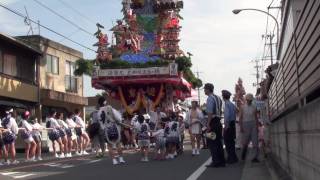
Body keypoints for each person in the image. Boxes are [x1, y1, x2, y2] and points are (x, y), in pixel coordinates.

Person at [204, 83, 225, 168]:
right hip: (218, 122)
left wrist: (208, 124)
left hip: (212, 122)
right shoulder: (218, 98)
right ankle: (221, 161)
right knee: (219, 142)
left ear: (208, 89)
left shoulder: (210, 98)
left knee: (212, 142)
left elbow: (210, 112)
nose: (204, 90)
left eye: (205, 89)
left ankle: (215, 161)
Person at [98, 99, 125, 165]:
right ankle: (121, 159)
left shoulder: (99, 112)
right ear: (105, 102)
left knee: (109, 145)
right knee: (118, 143)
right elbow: (118, 117)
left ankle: (114, 160)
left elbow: (101, 123)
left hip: (106, 129)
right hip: (114, 127)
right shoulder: (110, 108)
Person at [239, 93, 260, 163]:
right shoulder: (242, 107)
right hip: (245, 124)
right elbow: (240, 118)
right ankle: (243, 156)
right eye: (248, 100)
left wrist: (257, 126)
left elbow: (256, 117)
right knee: (245, 142)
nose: (249, 101)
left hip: (253, 123)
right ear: (246, 100)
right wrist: (241, 127)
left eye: (250, 100)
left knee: (255, 141)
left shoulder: (254, 107)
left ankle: (255, 157)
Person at [222, 90, 239, 164]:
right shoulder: (232, 104)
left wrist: (226, 126)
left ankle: (231, 158)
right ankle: (234, 157)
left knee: (227, 142)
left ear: (223, 97)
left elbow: (227, 116)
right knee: (231, 142)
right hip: (233, 123)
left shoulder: (227, 105)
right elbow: (237, 111)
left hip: (229, 124)